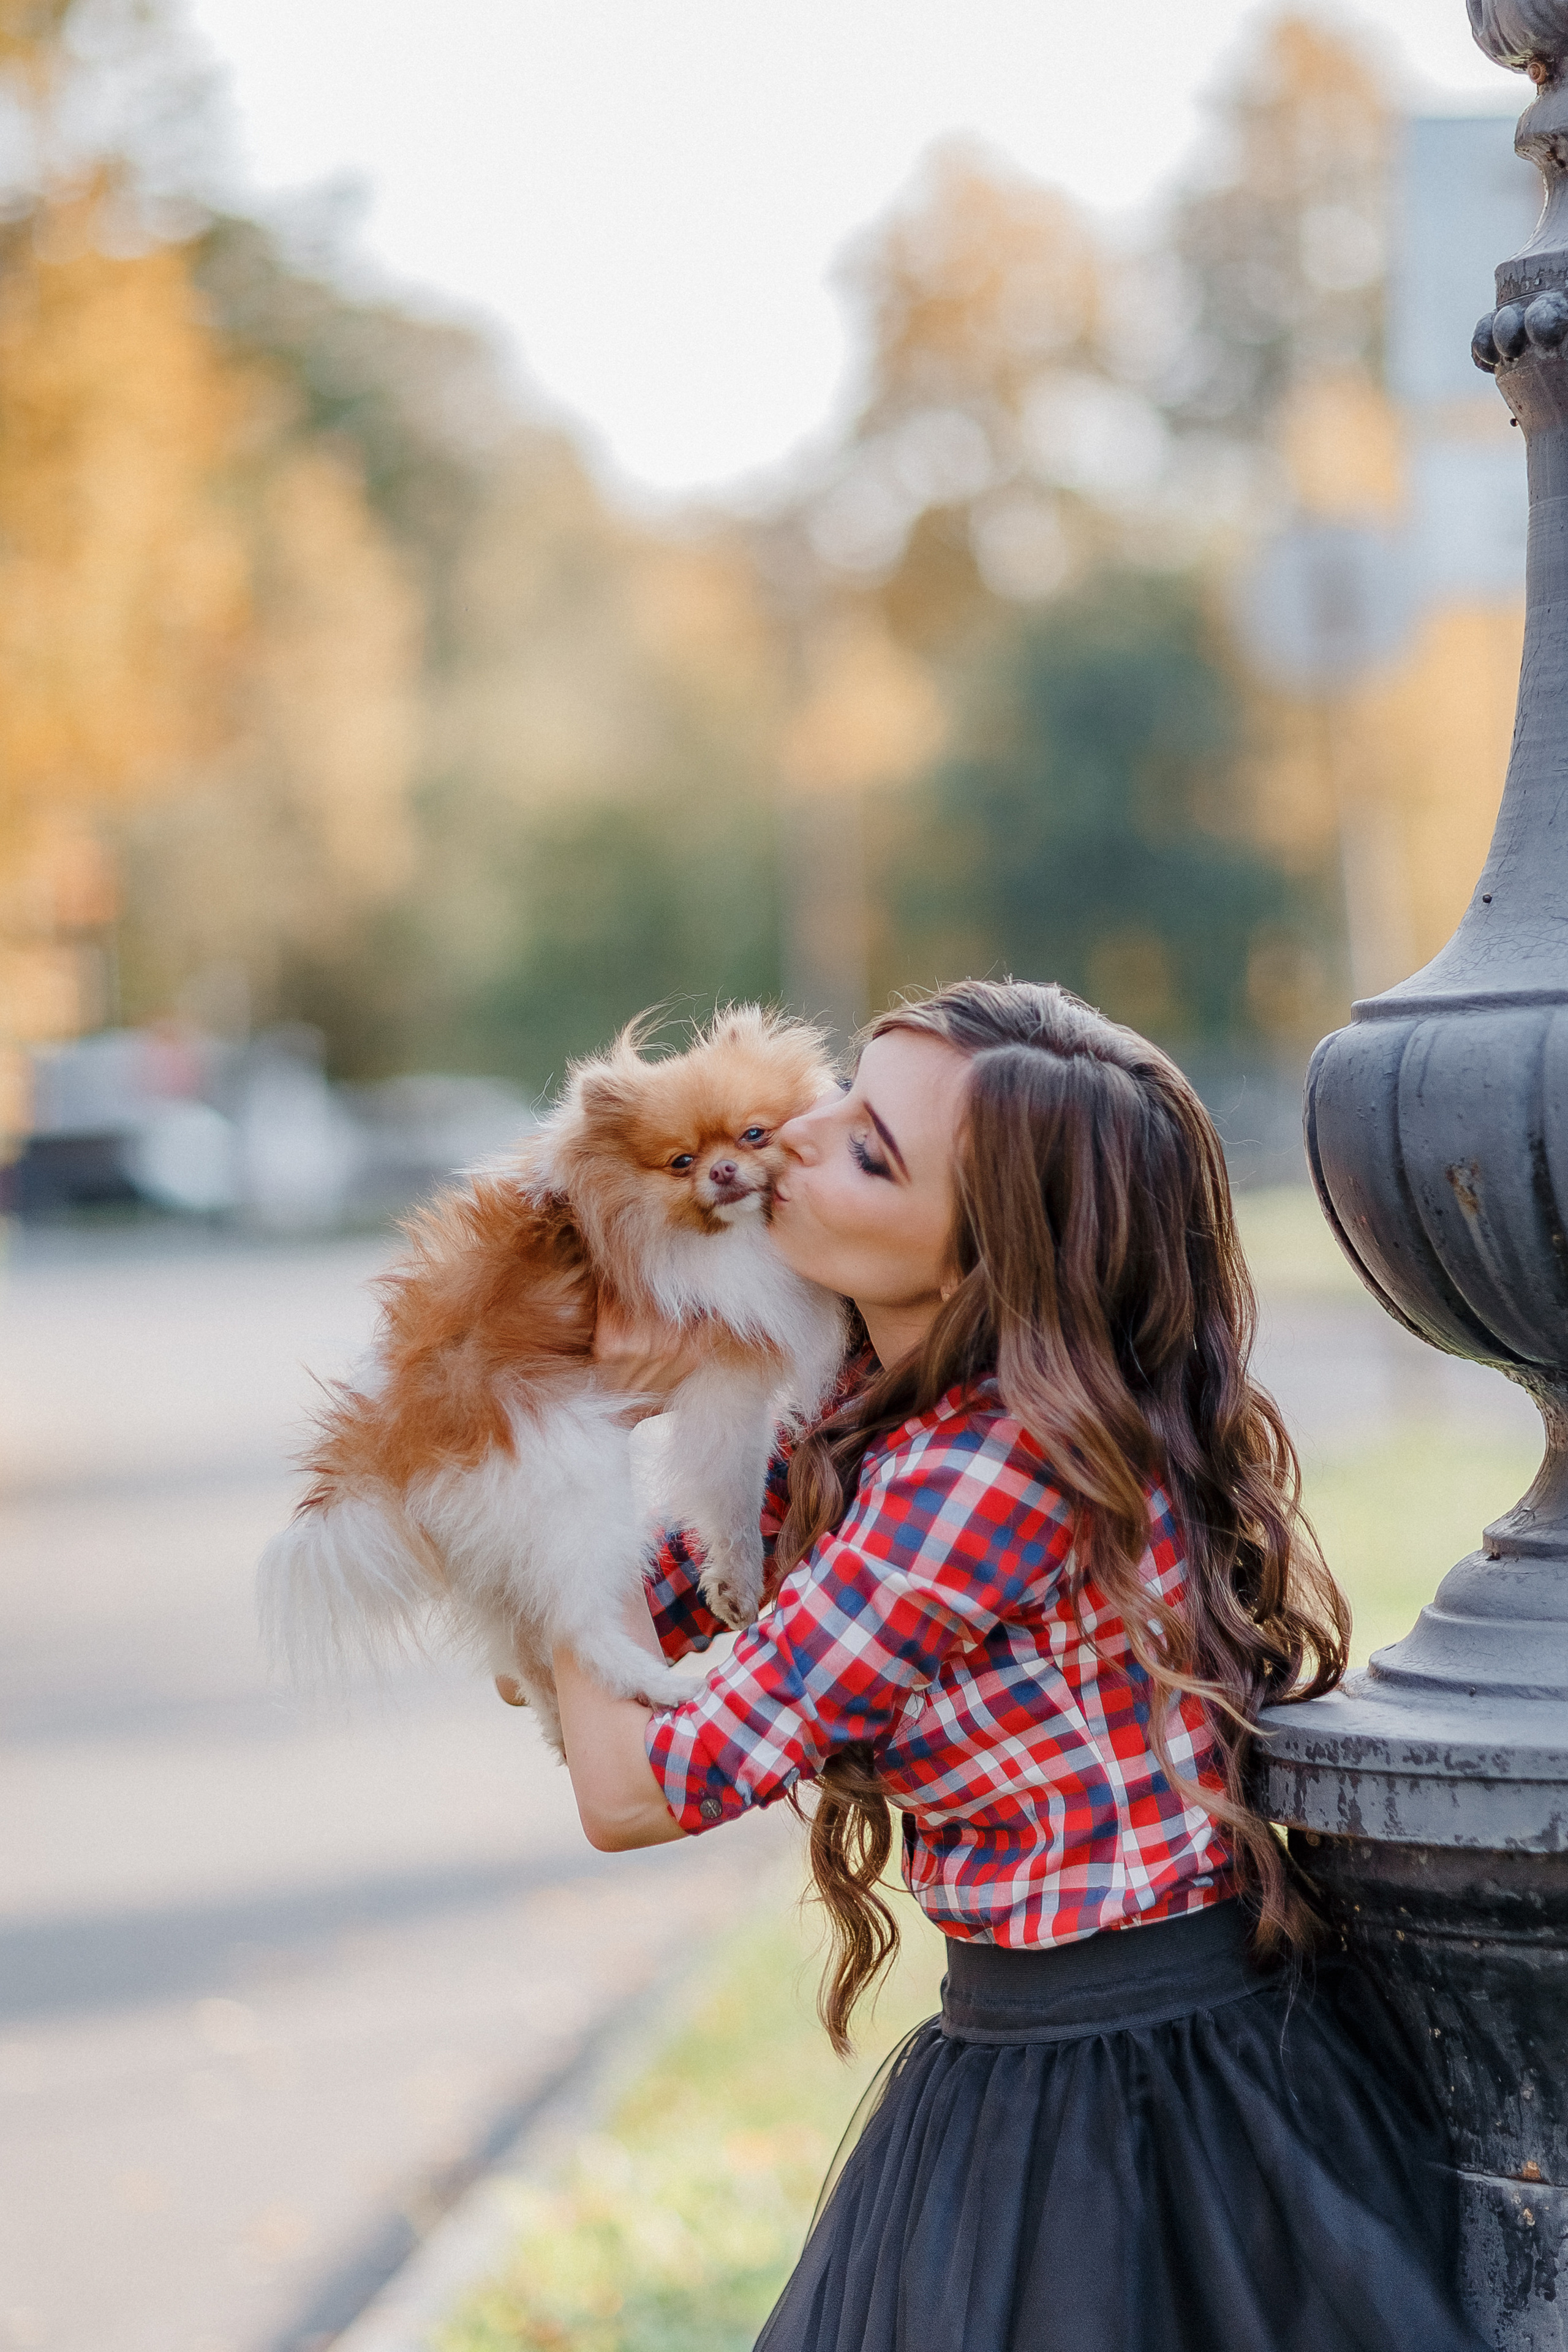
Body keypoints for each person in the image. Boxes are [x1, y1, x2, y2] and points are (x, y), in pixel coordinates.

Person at [504, 979, 1483, 2352]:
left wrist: (560, 1447)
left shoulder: (989, 1468)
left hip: (1134, 2100)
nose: (794, 1137)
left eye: (866, 1152)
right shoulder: (854, 1416)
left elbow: (629, 1787)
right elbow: (564, 1663)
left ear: (974, 1260)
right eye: (843, 1094)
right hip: (1020, 2055)